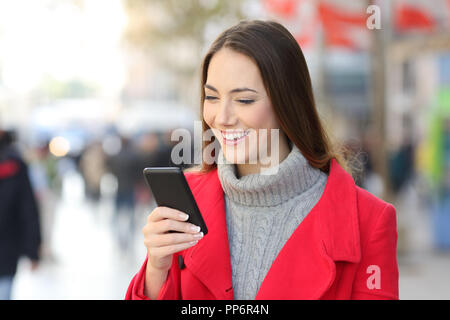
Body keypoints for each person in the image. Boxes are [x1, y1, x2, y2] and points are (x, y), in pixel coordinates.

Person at [125, 20, 398, 300]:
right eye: (211, 97)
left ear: (287, 103)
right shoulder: (187, 200)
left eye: (244, 100)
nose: (222, 118)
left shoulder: (369, 220)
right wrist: (156, 269)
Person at [0, 129, 41, 300]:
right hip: (7, 250)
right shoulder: (15, 163)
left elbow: (27, 209)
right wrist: (32, 250)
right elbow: (28, 208)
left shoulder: (15, 165)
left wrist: (32, 250)